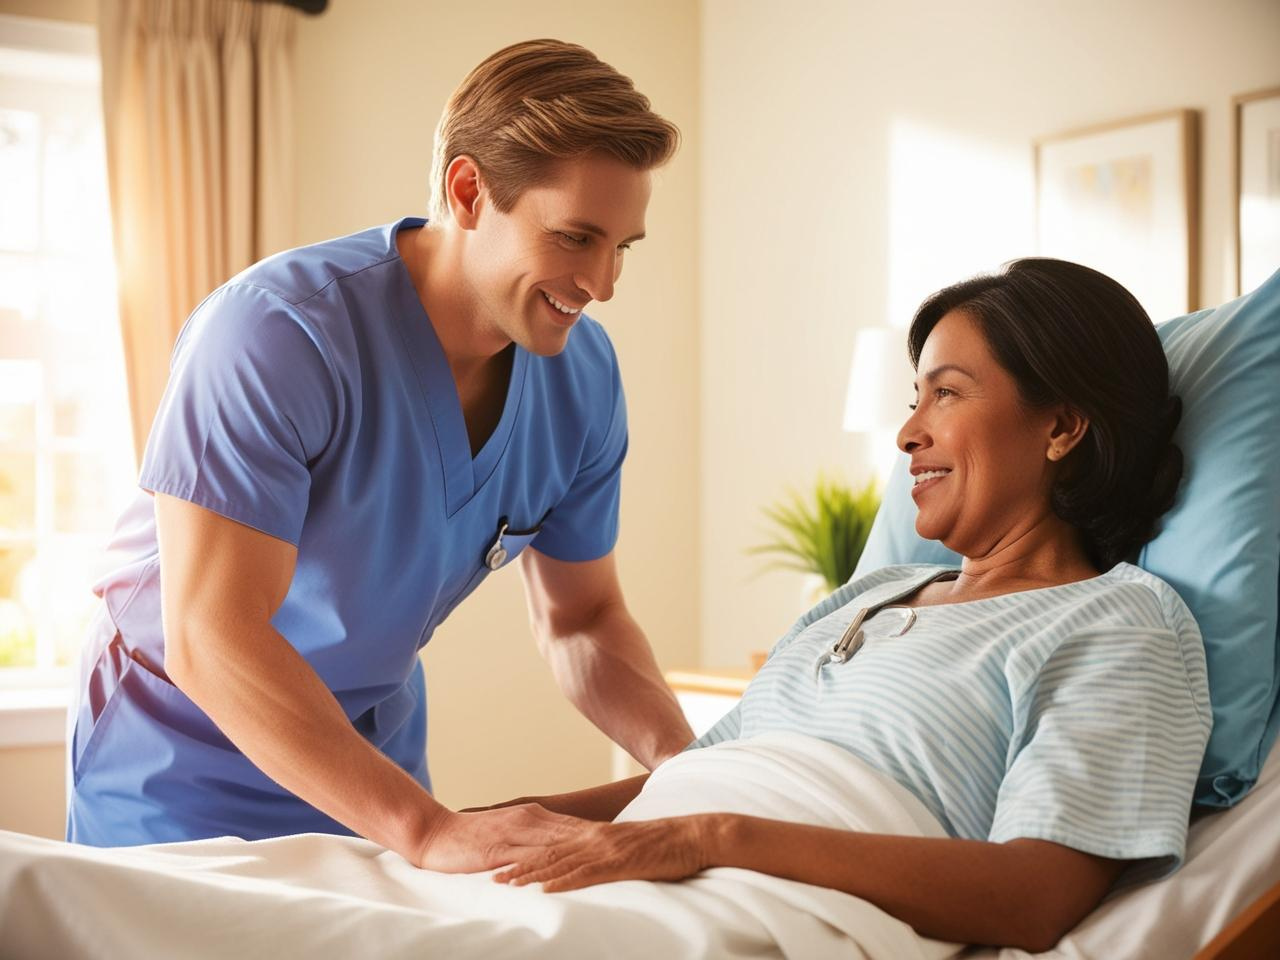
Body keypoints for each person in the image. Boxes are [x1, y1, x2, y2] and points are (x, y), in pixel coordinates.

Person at [66, 39, 694, 869]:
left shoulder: (582, 379)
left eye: (624, 246)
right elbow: (211, 633)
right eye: (577, 238)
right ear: (469, 191)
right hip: (180, 759)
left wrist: (694, 768)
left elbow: (584, 619)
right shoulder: (274, 335)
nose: (604, 283)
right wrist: (427, 830)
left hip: (370, 758)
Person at [482, 258, 1212, 953]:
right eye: (913, 399)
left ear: (1061, 427)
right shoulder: (869, 594)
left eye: (947, 393)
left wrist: (709, 839)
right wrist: (480, 826)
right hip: (651, 865)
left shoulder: (1118, 624)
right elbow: (696, 776)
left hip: (761, 908)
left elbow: (1033, 896)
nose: (906, 434)